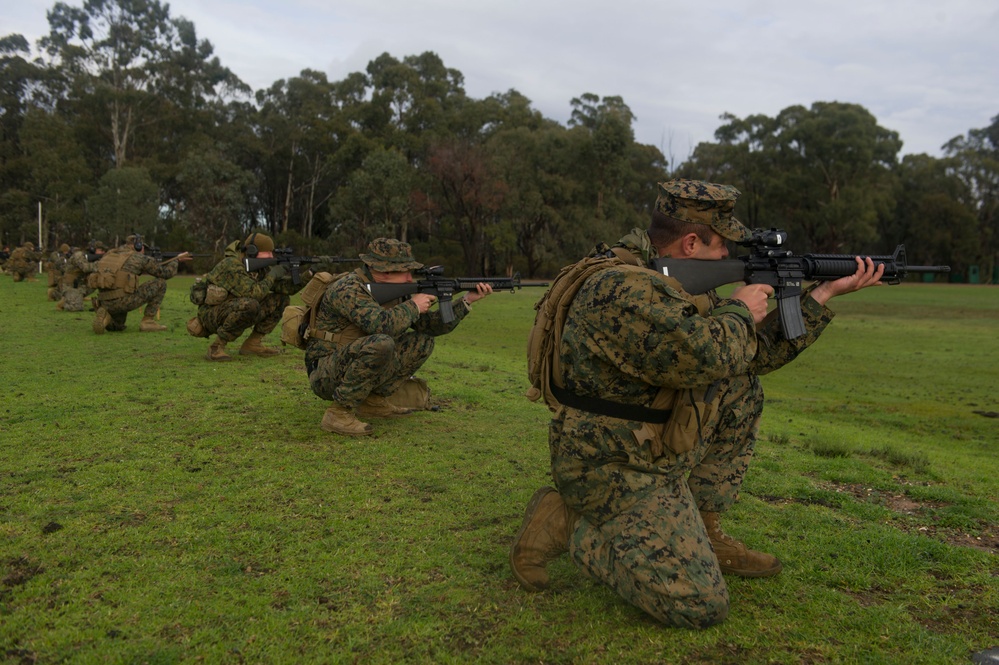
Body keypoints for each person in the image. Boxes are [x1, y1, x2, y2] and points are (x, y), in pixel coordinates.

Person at [509, 178, 884, 629]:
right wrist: (740, 309)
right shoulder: (621, 288)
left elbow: (749, 356)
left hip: (650, 446)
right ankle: (565, 521)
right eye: (722, 246)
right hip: (610, 463)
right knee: (698, 605)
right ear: (691, 242)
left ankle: (704, 528)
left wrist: (821, 295)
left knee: (741, 389)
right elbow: (705, 354)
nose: (729, 257)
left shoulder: (667, 282)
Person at [305, 237, 494, 436]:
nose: (409, 279)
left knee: (422, 341)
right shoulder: (347, 289)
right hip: (325, 371)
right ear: (383, 272)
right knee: (382, 343)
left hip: (351, 362)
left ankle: (373, 402)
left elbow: (429, 327)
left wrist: (466, 300)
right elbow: (380, 325)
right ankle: (338, 413)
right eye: (405, 272)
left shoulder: (395, 291)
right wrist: (413, 305)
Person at [193, 232, 303, 361]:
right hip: (210, 315)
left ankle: (253, 344)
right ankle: (216, 348)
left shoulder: (260, 268)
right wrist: (273, 275)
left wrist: (311, 273)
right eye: (267, 252)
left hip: (229, 310)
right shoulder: (231, 265)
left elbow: (285, 288)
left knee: (281, 299)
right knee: (250, 305)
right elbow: (254, 294)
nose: (271, 256)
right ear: (252, 251)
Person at [91, 234, 190, 334]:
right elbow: (166, 273)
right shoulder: (138, 258)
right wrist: (176, 260)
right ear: (138, 246)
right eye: (143, 248)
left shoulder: (108, 255)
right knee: (161, 283)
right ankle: (148, 321)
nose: (143, 251)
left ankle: (105, 317)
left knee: (118, 326)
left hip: (103, 301)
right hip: (122, 301)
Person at [58, 241, 105, 311]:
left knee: (100, 279)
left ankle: (103, 303)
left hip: (81, 283)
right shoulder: (79, 255)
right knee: (75, 308)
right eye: (101, 250)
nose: (103, 252)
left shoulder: (87, 257)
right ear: (92, 249)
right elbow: (86, 268)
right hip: (71, 285)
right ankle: (66, 299)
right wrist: (101, 264)